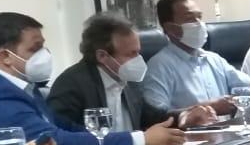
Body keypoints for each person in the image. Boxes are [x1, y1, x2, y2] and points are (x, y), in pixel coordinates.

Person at [0, 12, 184, 145]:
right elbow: (54, 142)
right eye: (34, 49)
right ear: (5, 56)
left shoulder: (19, 84)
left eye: (43, 47)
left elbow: (64, 128)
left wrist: (115, 140)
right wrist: (140, 140)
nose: (44, 55)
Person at [49, 13, 218, 131]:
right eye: (131, 54)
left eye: (138, 52)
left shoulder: (129, 80)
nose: (138, 60)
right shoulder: (72, 84)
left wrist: (184, 116)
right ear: (102, 56)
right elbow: (65, 136)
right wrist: (134, 141)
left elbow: (151, 117)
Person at [142, 0, 250, 115]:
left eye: (199, 17)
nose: (199, 24)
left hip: (227, 134)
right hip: (190, 138)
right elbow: (156, 116)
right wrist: (207, 108)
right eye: (190, 18)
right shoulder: (159, 66)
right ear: (170, 28)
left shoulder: (213, 60)